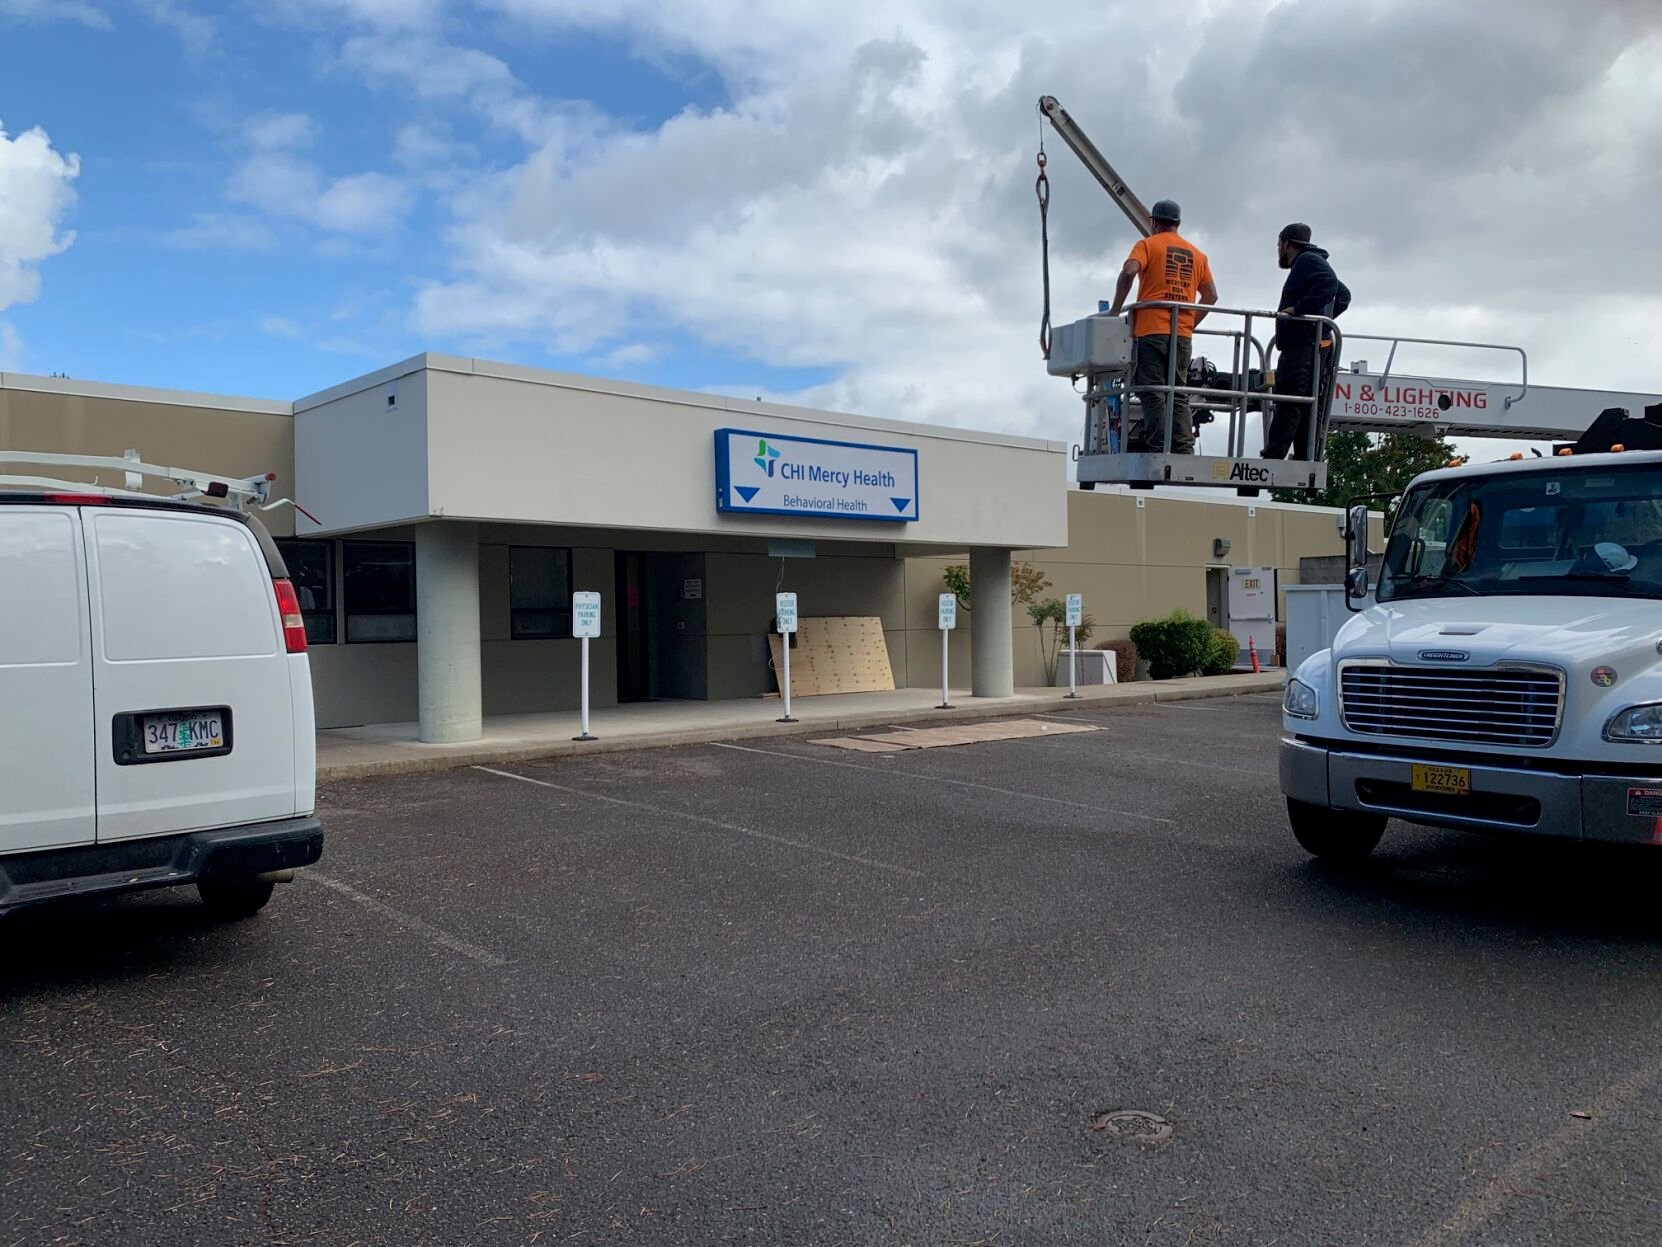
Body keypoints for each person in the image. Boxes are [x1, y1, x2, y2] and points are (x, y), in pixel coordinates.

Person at [1107, 199, 1219, 454]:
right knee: (1178, 391)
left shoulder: (1147, 245)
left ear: (1154, 222)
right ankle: (1183, 446)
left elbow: (1129, 272)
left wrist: (1115, 310)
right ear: (1177, 223)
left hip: (1150, 331)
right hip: (1181, 335)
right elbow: (1211, 295)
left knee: (1152, 390)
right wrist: (1189, 323)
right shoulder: (1197, 255)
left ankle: (1157, 446)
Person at [1262, 223, 1350, 461]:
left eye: (1279, 245)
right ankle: (1305, 455)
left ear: (1287, 243)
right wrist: (1322, 322)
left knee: (1290, 402)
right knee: (1306, 403)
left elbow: (1329, 284)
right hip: (1312, 346)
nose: (1278, 249)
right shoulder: (1312, 261)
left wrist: (1301, 313)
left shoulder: (1306, 261)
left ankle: (1274, 456)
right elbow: (1343, 296)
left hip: (1302, 348)